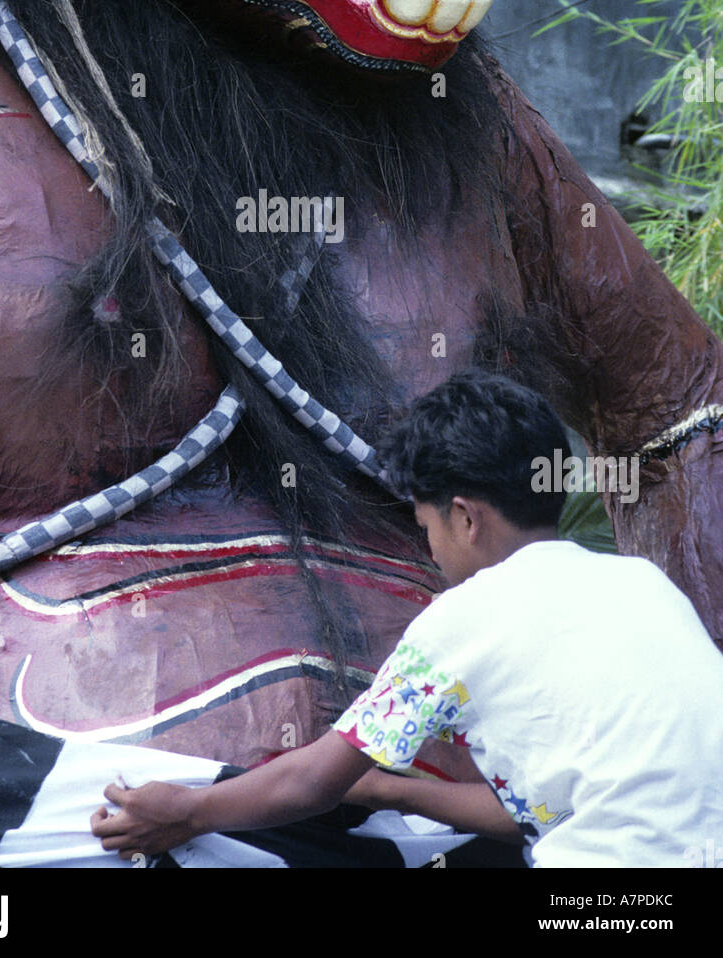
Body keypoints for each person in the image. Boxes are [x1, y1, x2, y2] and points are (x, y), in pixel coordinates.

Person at [91, 370, 723, 867]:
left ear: (465, 517)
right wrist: (392, 790)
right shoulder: (642, 584)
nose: (432, 552)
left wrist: (189, 810)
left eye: (427, 530)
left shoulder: (465, 620)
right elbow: (553, 810)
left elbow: (310, 782)